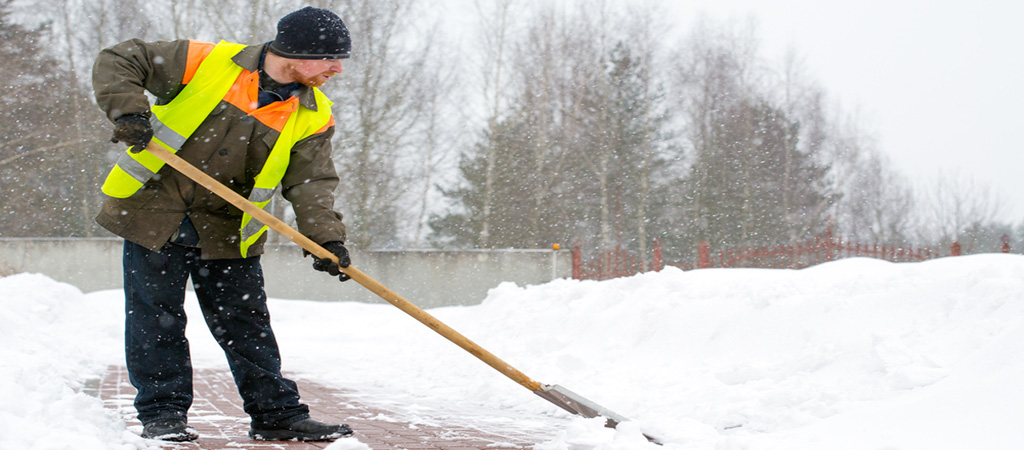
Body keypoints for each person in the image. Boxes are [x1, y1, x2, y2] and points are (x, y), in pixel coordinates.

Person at [92, 7, 356, 442]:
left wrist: (325, 237)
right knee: (157, 319)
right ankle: (163, 414)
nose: (336, 68)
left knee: (247, 324)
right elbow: (122, 57)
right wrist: (129, 114)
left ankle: (276, 414)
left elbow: (312, 184)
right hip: (157, 212)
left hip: (230, 229)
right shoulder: (208, 61)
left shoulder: (313, 114)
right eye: (329, 57)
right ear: (296, 52)